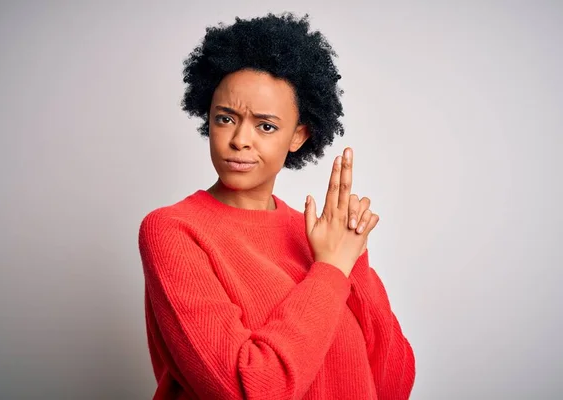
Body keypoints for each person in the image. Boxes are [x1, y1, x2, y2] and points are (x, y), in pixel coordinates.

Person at [138, 13, 415, 400]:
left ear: (298, 135)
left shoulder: (318, 238)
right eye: (225, 118)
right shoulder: (173, 230)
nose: (239, 140)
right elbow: (247, 389)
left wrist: (354, 264)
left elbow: (392, 386)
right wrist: (331, 271)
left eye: (265, 126)